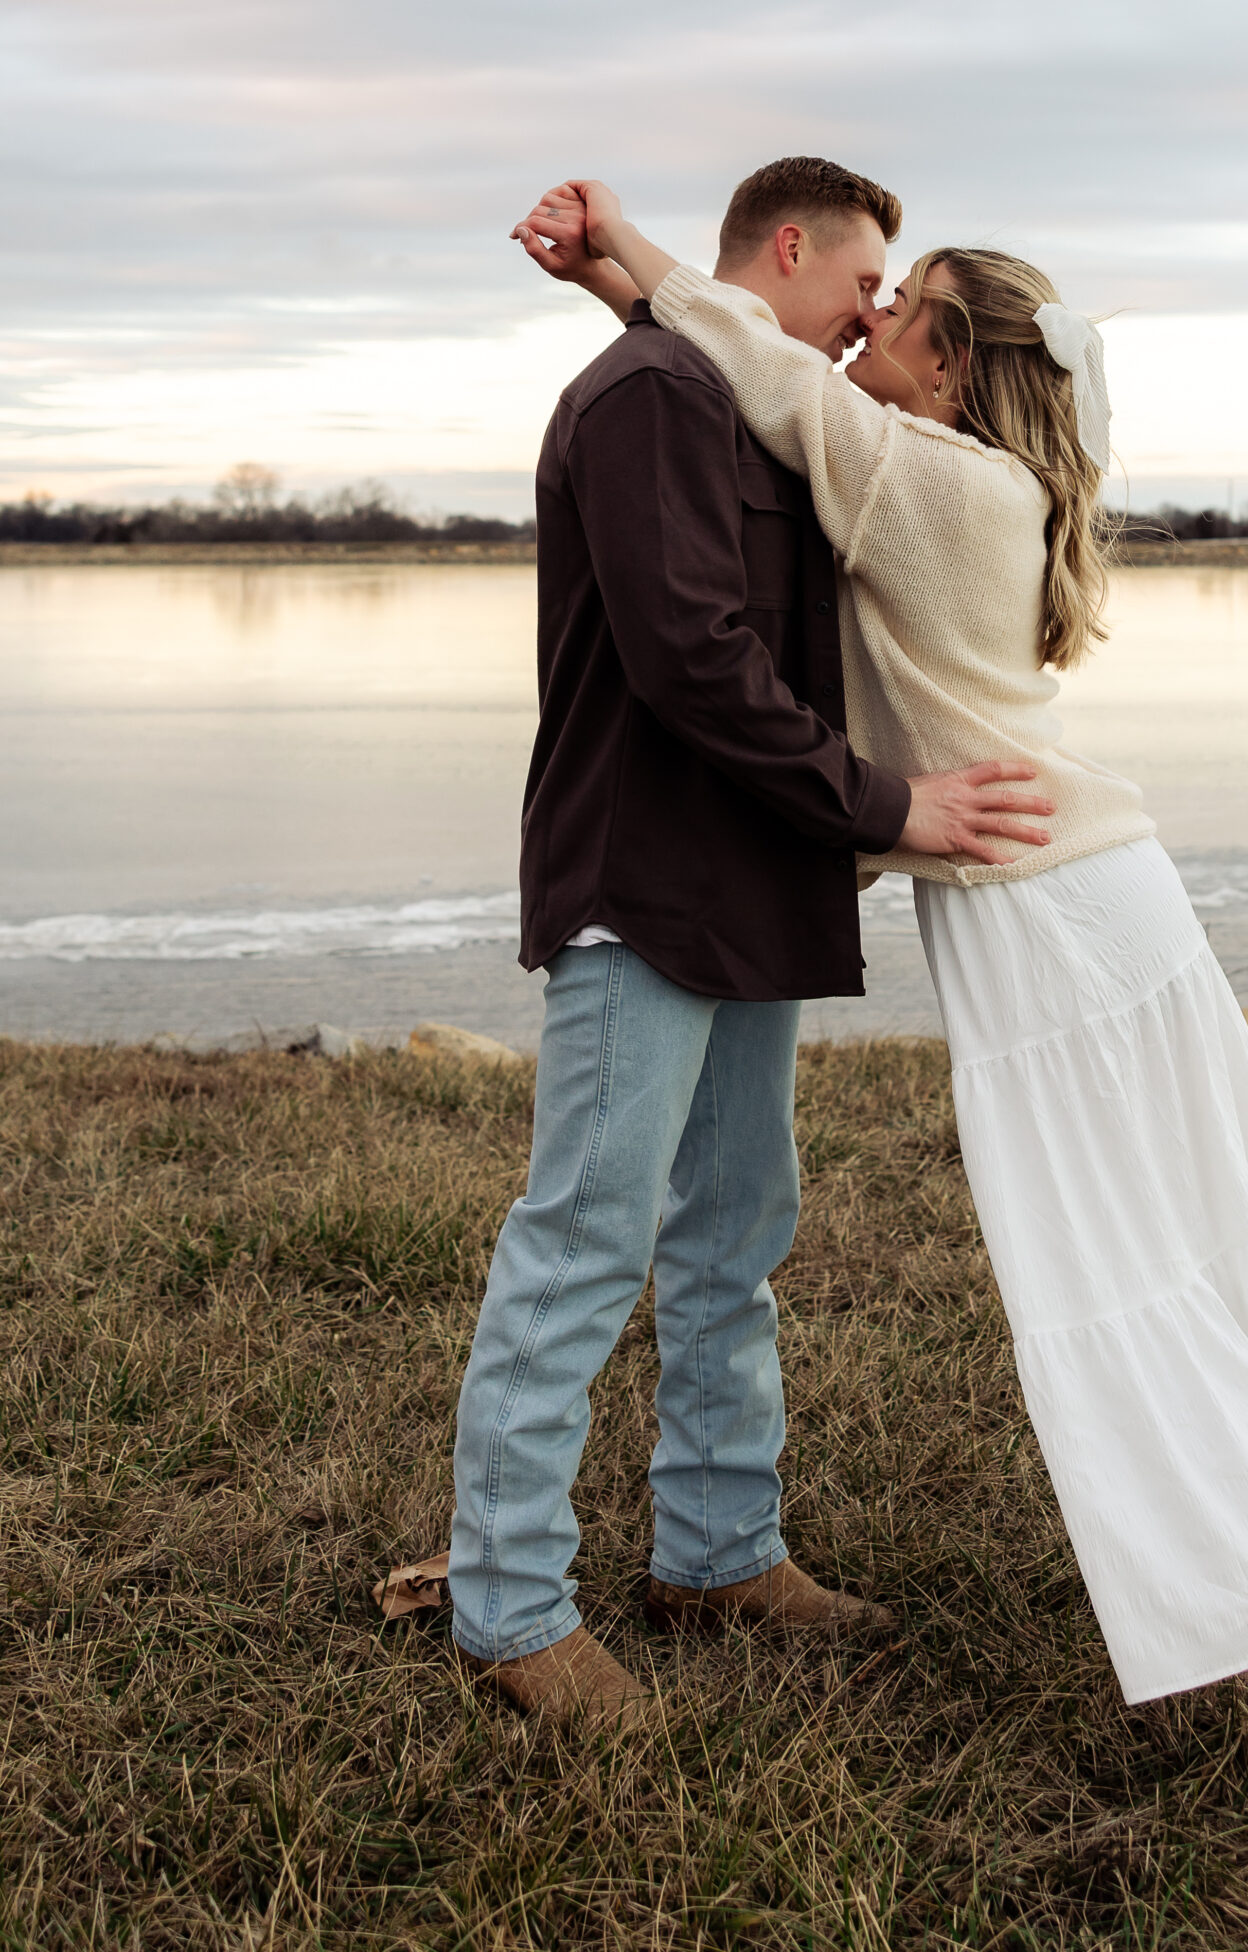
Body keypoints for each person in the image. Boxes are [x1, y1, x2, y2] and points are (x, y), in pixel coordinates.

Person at [519, 172, 1248, 1707]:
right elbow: (760, 378)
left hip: (1050, 915)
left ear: (946, 361)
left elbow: (764, 368)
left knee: (1136, 1250)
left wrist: (630, 255)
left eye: (898, 302)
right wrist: (626, 296)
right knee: (1217, 1216)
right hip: (1090, 897)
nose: (865, 319)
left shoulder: (929, 484)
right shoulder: (957, 474)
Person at [433, 157, 1054, 1735]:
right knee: (584, 1239)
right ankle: (506, 1610)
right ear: (789, 249)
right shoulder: (653, 396)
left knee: (734, 1241)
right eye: (865, 288)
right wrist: (890, 806)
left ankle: (717, 1552)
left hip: (754, 888)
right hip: (645, 884)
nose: (871, 324)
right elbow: (692, 661)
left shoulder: (748, 394)